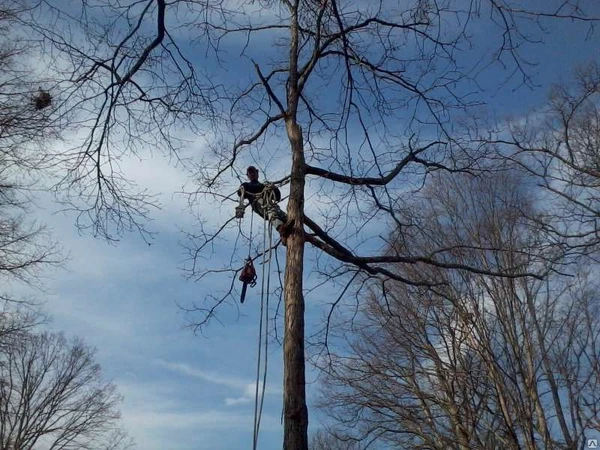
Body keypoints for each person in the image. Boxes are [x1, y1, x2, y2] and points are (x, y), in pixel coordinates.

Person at [238, 166, 289, 245]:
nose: (252, 174)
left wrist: (274, 188)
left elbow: (277, 197)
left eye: (253, 172)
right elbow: (240, 193)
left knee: (283, 216)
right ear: (247, 175)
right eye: (250, 173)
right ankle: (280, 228)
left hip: (270, 205)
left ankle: (286, 234)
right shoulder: (246, 185)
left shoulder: (264, 186)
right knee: (270, 210)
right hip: (258, 204)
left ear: (257, 173)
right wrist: (242, 189)